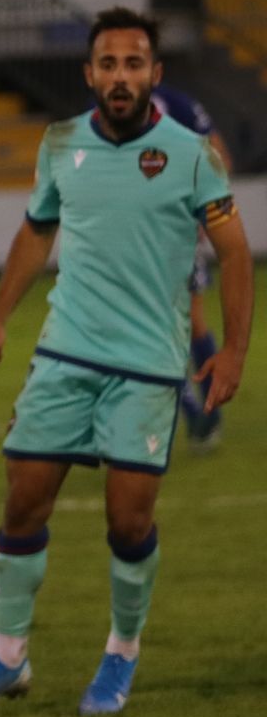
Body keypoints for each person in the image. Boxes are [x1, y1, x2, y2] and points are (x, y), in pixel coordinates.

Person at [0, 6, 251, 717]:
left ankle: (121, 653)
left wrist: (232, 351)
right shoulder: (59, 144)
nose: (120, 77)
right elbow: (35, 230)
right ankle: (6, 658)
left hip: (147, 366)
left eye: (133, 64)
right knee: (22, 500)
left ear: (155, 75)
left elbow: (234, 253)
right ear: (89, 74)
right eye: (108, 64)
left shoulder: (192, 153)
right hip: (64, 353)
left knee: (128, 522)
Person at [151, 81, 236, 448]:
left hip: (176, 230)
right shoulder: (103, 111)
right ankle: (195, 415)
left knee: (188, 323)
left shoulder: (175, 103)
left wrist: (205, 209)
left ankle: (205, 413)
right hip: (132, 237)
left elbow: (219, 155)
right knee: (156, 329)